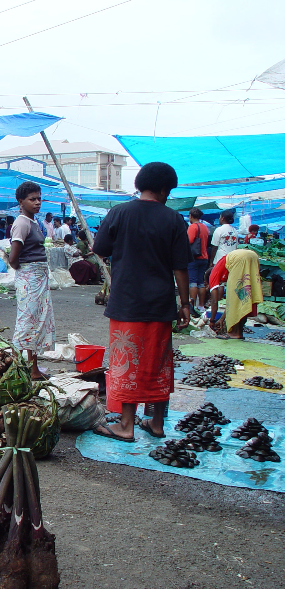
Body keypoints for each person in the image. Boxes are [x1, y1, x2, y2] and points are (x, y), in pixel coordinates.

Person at [91, 162, 190, 442]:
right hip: (160, 303)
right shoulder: (174, 219)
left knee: (127, 361)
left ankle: (126, 425)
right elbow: (180, 267)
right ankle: (156, 423)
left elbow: (100, 249)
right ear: (164, 189)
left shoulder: (119, 212)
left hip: (127, 301)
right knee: (158, 361)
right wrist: (185, 304)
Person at [7, 182, 55, 381]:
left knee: (37, 323)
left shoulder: (33, 222)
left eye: (39, 199)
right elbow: (13, 258)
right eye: (32, 199)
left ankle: (33, 369)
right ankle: (16, 368)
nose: (37, 203)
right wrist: (27, 271)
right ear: (21, 202)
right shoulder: (22, 223)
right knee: (27, 322)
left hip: (38, 277)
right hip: (30, 278)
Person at [208, 249, 262, 340]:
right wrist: (222, 319)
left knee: (235, 297)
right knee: (244, 297)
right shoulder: (225, 269)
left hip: (240, 258)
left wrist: (212, 320)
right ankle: (239, 332)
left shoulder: (212, 276)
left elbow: (214, 302)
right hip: (253, 256)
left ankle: (234, 333)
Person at [186, 207, 210, 314]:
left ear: (191, 216)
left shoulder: (193, 227)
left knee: (192, 282)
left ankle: (193, 305)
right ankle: (201, 305)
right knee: (201, 282)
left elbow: (189, 241)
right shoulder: (205, 227)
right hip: (204, 257)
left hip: (194, 258)